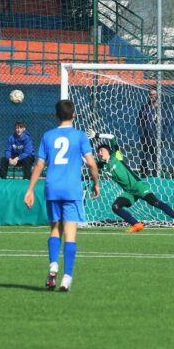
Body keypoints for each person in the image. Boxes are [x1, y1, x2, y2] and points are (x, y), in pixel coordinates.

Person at [24, 100, 100, 292]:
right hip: (71, 189)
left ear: (56, 115)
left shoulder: (48, 136)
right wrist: (96, 183)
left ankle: (53, 266)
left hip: (52, 188)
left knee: (54, 230)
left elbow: (39, 164)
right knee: (71, 235)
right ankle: (66, 278)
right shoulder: (80, 136)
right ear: (74, 114)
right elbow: (91, 163)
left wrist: (30, 189)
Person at [89, 130, 174, 233]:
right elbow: (89, 163)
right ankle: (136, 224)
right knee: (116, 207)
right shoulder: (102, 165)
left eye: (102, 151)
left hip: (138, 186)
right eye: (98, 152)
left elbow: (112, 137)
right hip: (129, 192)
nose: (100, 153)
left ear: (108, 151)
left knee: (156, 203)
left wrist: (96, 135)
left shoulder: (116, 156)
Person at [136, 87, 171, 177]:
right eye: (150, 95)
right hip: (145, 137)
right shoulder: (145, 107)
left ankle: (156, 175)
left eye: (154, 95)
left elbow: (167, 124)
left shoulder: (163, 109)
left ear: (158, 95)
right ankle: (143, 175)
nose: (152, 96)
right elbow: (139, 121)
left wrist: (163, 137)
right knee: (143, 157)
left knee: (156, 158)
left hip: (157, 138)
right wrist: (141, 133)